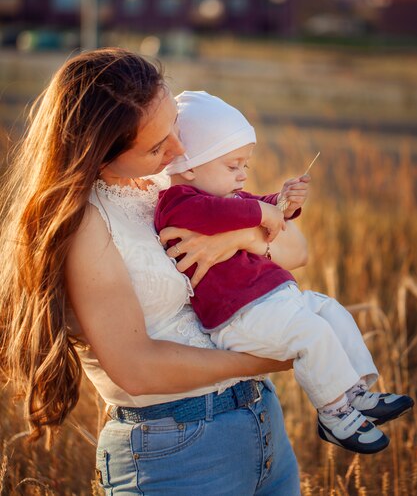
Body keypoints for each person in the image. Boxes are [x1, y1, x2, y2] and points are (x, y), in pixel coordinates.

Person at [0, 49, 310, 495]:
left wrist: (233, 238)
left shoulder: (167, 184)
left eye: (174, 128)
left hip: (263, 424)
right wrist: (267, 359)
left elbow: (296, 250)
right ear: (99, 155)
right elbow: (136, 367)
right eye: (156, 145)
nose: (180, 149)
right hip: (178, 451)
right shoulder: (87, 223)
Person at [155, 90, 414, 455]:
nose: (243, 174)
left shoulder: (228, 198)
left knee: (330, 312)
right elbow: (222, 216)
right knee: (312, 333)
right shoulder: (178, 204)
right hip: (239, 318)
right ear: (190, 165)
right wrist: (262, 216)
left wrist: (283, 203)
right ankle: (334, 414)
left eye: (246, 164)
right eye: (233, 166)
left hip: (271, 304)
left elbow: (260, 208)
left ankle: (354, 391)